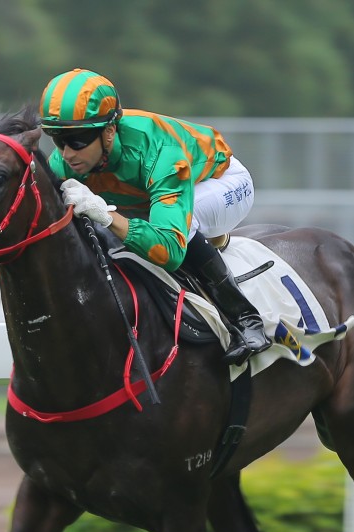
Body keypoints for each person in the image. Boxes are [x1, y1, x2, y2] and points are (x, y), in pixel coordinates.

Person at [38, 68, 271, 366]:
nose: (68, 153)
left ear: (109, 131)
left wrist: (108, 217)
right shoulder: (67, 161)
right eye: (58, 140)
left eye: (78, 140)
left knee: (183, 222)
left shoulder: (160, 152)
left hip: (221, 183)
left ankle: (245, 318)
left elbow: (169, 251)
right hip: (151, 196)